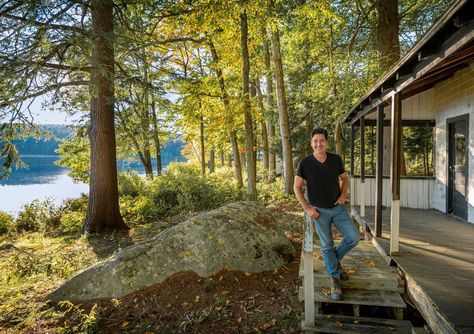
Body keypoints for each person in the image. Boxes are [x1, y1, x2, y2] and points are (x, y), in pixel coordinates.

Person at [293, 128, 359, 301]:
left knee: (354, 237)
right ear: (311, 143)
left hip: (337, 208)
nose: (318, 144)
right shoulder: (305, 163)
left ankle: (333, 263)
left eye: (321, 140)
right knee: (327, 245)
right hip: (318, 211)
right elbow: (296, 187)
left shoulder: (335, 160)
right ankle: (334, 281)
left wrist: (343, 195)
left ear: (327, 142)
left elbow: (345, 179)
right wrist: (307, 208)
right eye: (315, 141)